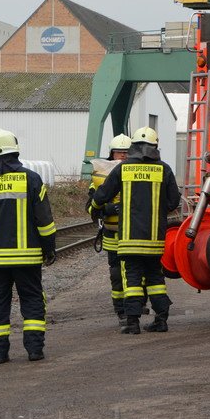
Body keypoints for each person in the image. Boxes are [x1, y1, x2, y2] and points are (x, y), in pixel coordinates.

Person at [0, 128, 57, 364]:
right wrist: (49, 249)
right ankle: (34, 350)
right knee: (32, 301)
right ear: (16, 151)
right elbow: (44, 221)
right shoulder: (32, 179)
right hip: (27, 258)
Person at [90, 127, 180, 334]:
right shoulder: (164, 169)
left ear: (133, 147)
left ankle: (132, 323)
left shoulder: (123, 169)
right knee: (155, 279)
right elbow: (173, 201)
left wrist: (95, 209)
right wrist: (157, 211)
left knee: (131, 279)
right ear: (155, 147)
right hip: (154, 238)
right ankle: (161, 319)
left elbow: (102, 194)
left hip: (129, 239)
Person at [87, 134, 139, 326]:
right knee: (117, 274)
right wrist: (104, 209)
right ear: (111, 154)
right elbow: (91, 206)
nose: (123, 157)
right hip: (112, 233)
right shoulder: (100, 177)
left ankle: (136, 305)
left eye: (126, 153)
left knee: (136, 273)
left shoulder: (136, 171)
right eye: (119, 153)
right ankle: (121, 310)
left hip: (134, 233)